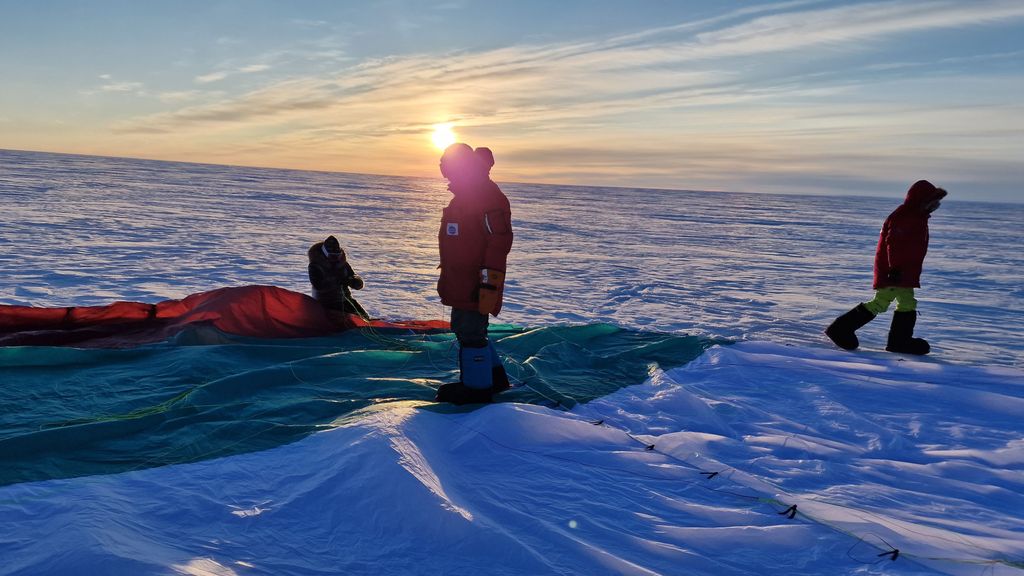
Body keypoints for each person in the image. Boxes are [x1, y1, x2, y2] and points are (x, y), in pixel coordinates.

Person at [825, 180, 948, 355]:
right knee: (881, 302)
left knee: (906, 302)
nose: (937, 205)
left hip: (903, 271)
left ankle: (899, 341)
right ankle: (841, 329)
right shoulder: (906, 216)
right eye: (933, 201)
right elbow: (893, 244)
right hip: (895, 271)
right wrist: (895, 268)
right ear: (921, 200)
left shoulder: (917, 217)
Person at [434, 143, 514, 404]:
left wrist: (487, 283)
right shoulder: (468, 194)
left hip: (475, 279)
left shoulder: (485, 196)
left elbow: (498, 242)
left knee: (470, 329)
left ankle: (477, 389)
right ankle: (495, 377)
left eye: (447, 166)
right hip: (462, 276)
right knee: (470, 327)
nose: (445, 172)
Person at [307, 235, 370, 321]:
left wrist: (354, 282)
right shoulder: (315, 266)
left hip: (345, 300)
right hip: (326, 303)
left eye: (337, 255)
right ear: (325, 254)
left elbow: (353, 276)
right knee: (347, 322)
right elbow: (318, 285)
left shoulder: (342, 264)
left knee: (364, 320)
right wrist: (337, 279)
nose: (335, 258)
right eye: (332, 256)